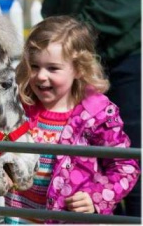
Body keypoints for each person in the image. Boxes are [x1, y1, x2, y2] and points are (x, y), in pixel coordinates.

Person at [8, 15, 140, 224]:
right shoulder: (20, 106)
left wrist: (95, 198)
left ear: (79, 68)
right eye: (34, 66)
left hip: (70, 219)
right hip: (21, 217)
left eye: (53, 68)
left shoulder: (96, 115)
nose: (41, 76)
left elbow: (126, 166)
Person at [40, 0, 142, 217]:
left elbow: (124, 4)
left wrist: (69, 35)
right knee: (79, 158)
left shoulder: (100, 108)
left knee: (132, 164)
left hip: (125, 54)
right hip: (71, 52)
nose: (39, 76)